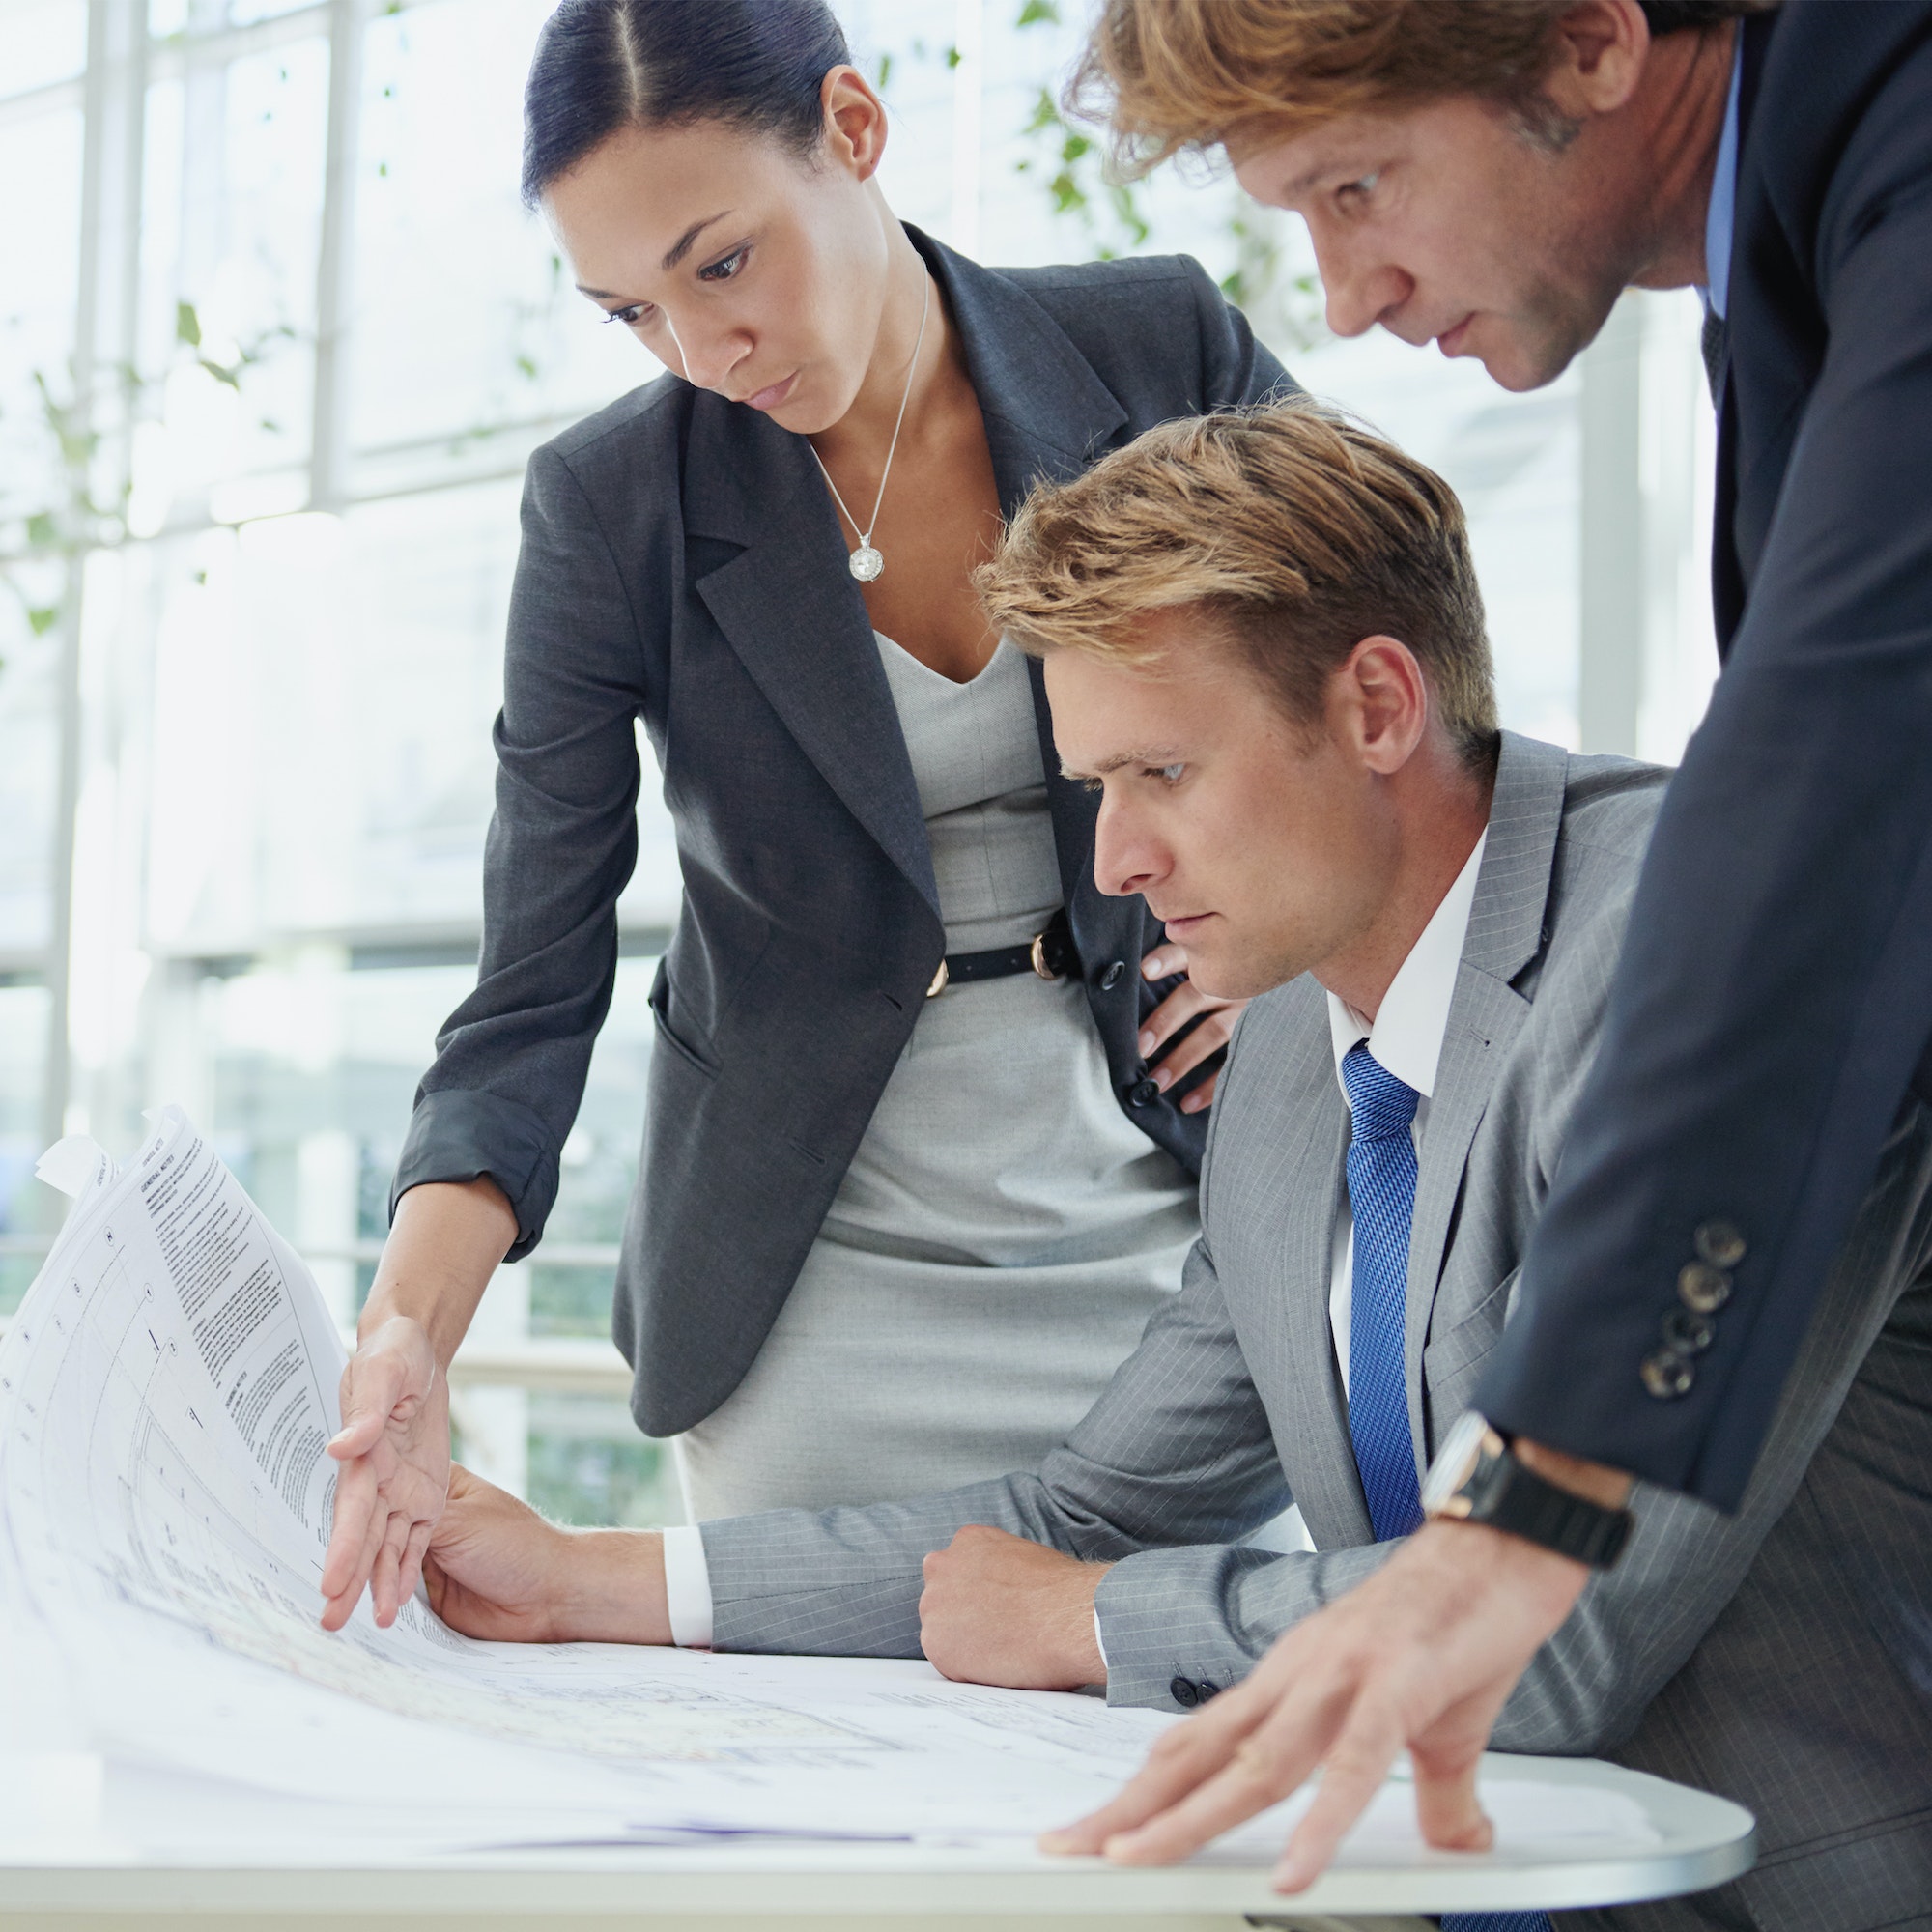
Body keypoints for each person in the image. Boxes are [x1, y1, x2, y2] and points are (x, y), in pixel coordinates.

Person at [417, 402, 1932, 1932]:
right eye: (1095, 791)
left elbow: (1538, 1637)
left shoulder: (1686, 962)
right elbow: (1087, 1511)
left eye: (1164, 773)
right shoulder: (1284, 1050)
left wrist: (1088, 1621)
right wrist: (581, 1582)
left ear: (1378, 706)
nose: (1120, 864)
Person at [1032, 0, 1932, 1889]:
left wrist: (1528, 1502)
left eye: (1359, 188)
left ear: (1597, 42)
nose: (1347, 302)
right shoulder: (1795, 263)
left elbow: (1822, 809)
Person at [318, 0, 1293, 1634]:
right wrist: (411, 1327)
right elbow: (527, 990)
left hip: (1171, 1233)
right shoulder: (613, 506)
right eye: (633, 311)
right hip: (811, 1288)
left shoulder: (1159, 352)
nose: (707, 354)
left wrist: (1286, 944)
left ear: (853, 129)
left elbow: (1388, 689)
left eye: (723, 263)